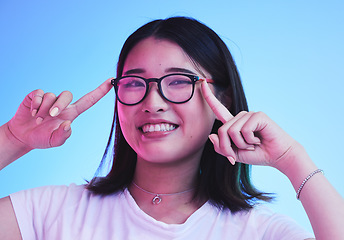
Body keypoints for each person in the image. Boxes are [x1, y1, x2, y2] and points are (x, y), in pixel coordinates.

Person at [0, 16, 342, 240]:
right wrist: (12, 139)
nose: (153, 102)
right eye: (135, 83)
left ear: (220, 97)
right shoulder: (52, 212)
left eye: (178, 81)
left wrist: (292, 158)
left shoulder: (259, 231)